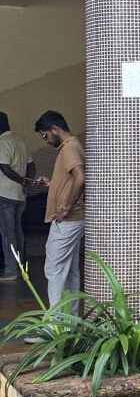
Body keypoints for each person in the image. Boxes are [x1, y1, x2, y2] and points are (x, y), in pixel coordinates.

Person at [33, 111, 84, 312]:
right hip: (73, 219)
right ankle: (70, 320)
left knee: (54, 269)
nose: (46, 140)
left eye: (44, 135)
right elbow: (71, 180)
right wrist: (52, 184)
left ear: (55, 129)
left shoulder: (69, 147)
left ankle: (54, 324)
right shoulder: (72, 146)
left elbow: (80, 177)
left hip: (68, 220)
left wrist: (66, 207)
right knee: (69, 272)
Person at [0, 112, 34, 280]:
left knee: (8, 235)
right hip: (20, 195)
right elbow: (31, 164)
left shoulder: (2, 142)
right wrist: (27, 182)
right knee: (18, 233)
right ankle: (21, 269)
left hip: (4, 195)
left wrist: (22, 180)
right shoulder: (20, 140)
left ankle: (11, 270)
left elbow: (4, 167)